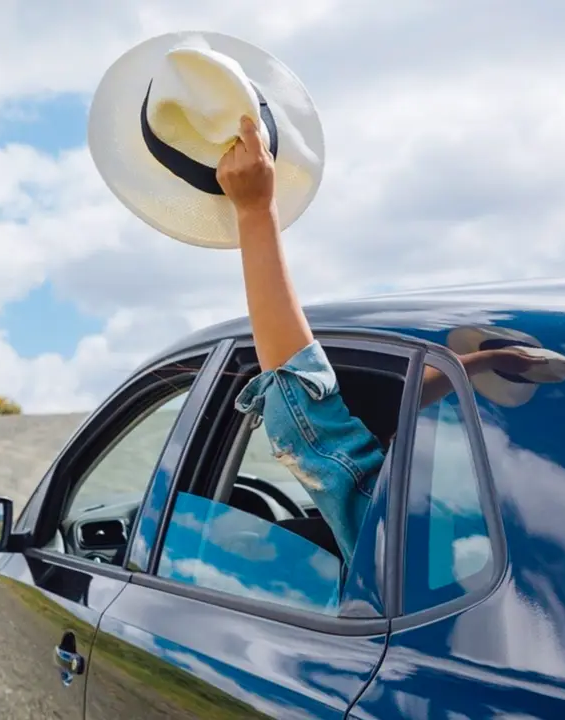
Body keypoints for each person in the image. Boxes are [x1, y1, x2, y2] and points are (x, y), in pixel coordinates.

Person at [216, 116, 547, 567]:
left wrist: (255, 213)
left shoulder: (395, 534)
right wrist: (474, 364)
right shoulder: (535, 527)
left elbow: (303, 412)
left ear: (385, 441)